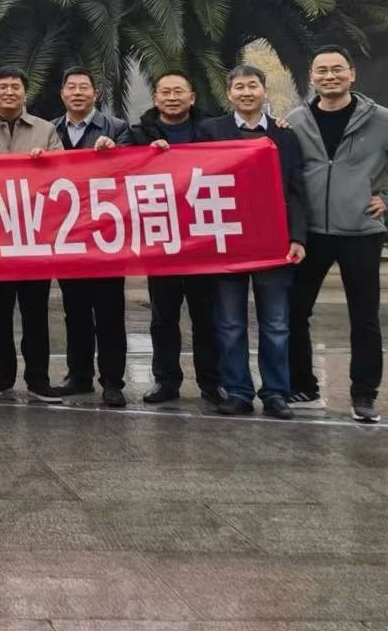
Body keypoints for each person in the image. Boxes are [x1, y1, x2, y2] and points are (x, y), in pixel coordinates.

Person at [284, 45, 388, 424]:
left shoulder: (381, 119)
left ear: (352, 74)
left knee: (364, 317)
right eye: (322, 70)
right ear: (311, 77)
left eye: (337, 69)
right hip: (310, 233)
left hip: (361, 232)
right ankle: (303, 386)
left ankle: (364, 395)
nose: (329, 76)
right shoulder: (297, 120)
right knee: (293, 310)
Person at [198, 64, 307, 419]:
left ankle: (275, 392)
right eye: (239, 87)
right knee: (230, 324)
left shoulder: (284, 134)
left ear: (264, 91)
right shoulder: (211, 131)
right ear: (228, 94)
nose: (246, 92)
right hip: (228, 242)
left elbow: (297, 188)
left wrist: (297, 236)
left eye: (252, 86)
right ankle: (238, 392)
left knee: (276, 325)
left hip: (273, 244)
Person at [127, 70, 222, 406]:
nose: (171, 97)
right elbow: (117, 171)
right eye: (165, 92)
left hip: (202, 239)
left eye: (178, 91)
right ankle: (166, 380)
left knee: (206, 317)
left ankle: (212, 382)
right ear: (155, 98)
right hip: (161, 239)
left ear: (191, 97)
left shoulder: (212, 131)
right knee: (163, 317)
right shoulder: (138, 134)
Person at [0, 65, 64, 404]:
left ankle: (38, 378)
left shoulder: (45, 130)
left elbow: (64, 173)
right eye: (3, 86)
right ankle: (1, 375)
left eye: (16, 86)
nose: (9, 92)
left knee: (36, 310)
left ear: (25, 93)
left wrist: (46, 163)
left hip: (35, 235)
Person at [51, 66, 131, 407]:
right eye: (71, 87)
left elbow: (132, 169)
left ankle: (112, 381)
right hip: (68, 237)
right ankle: (79, 375)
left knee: (110, 312)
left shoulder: (117, 128)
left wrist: (115, 151)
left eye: (84, 87)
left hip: (107, 237)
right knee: (76, 311)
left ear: (95, 93)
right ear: (62, 94)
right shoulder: (51, 130)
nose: (77, 92)